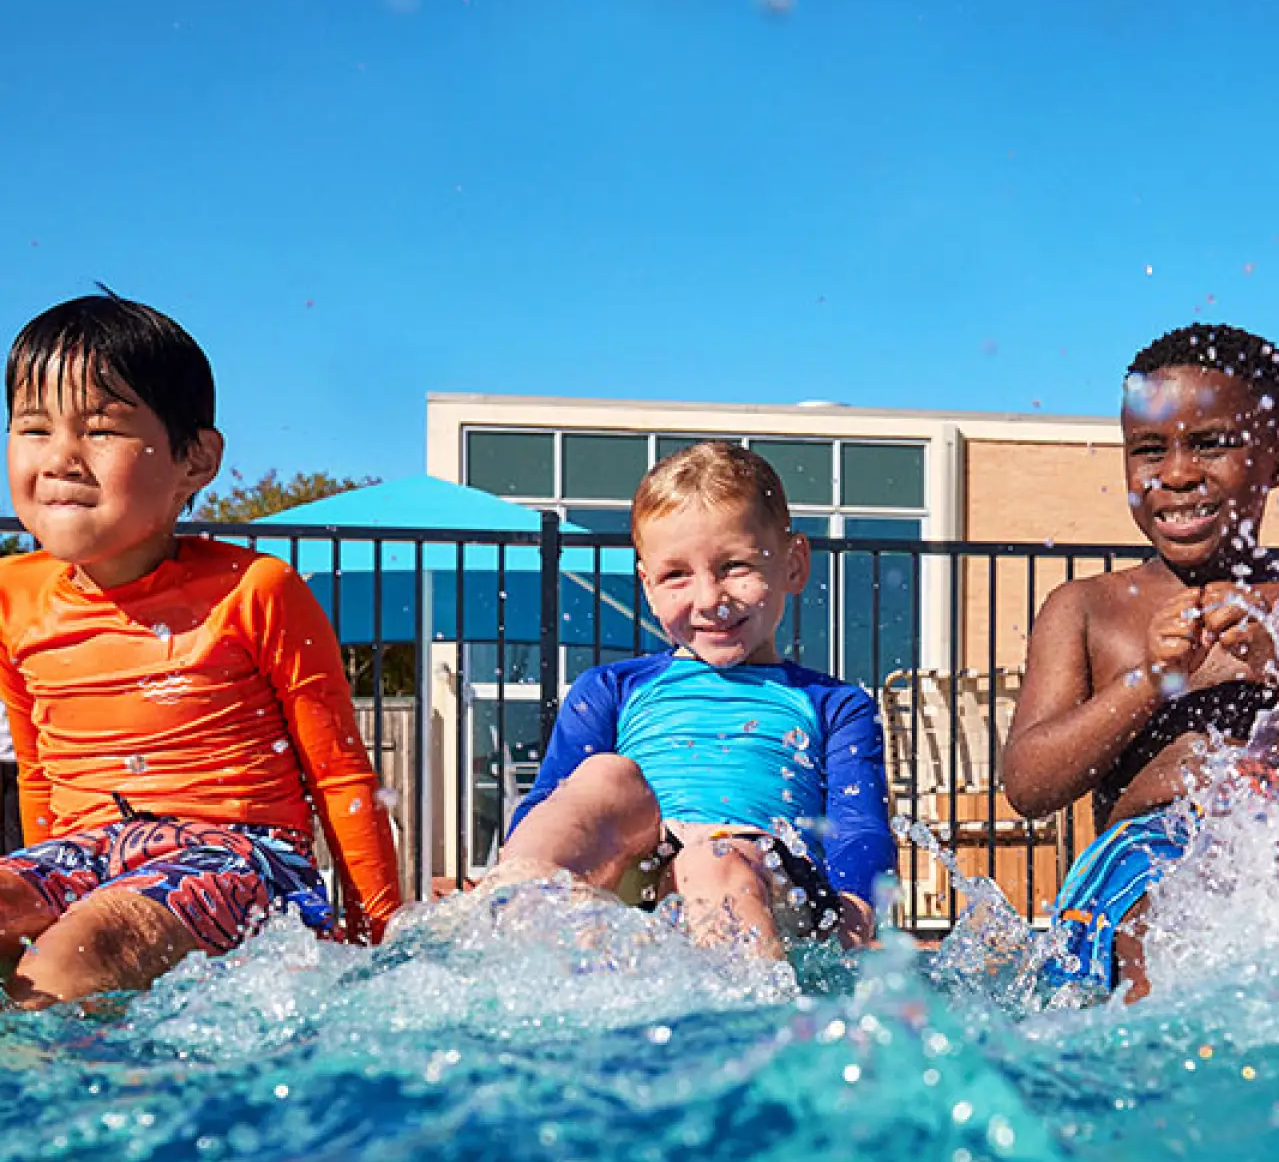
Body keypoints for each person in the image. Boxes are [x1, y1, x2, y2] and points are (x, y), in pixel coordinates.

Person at [1002, 324, 1279, 1000]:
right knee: (1165, 919)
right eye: (1149, 450)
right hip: (1145, 857)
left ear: (1277, 460)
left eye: (1210, 444)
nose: (1176, 473)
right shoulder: (1086, 608)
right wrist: (1149, 682)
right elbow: (1029, 785)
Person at [0, 294, 400, 1005]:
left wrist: (381, 941)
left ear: (195, 459)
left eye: (101, 430)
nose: (60, 457)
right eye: (33, 427)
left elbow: (340, 778)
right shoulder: (12, 596)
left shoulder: (255, 590)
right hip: (88, 853)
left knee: (79, 956)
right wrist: (38, 890)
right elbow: (39, 771)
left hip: (249, 857)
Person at [494, 442, 891, 959]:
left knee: (712, 859)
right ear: (647, 585)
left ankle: (749, 1014)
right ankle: (511, 910)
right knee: (604, 777)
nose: (708, 599)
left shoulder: (834, 705)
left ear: (794, 564)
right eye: (676, 575)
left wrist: (856, 917)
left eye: (734, 566)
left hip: (761, 883)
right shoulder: (611, 689)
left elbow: (858, 826)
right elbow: (550, 802)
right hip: (639, 874)